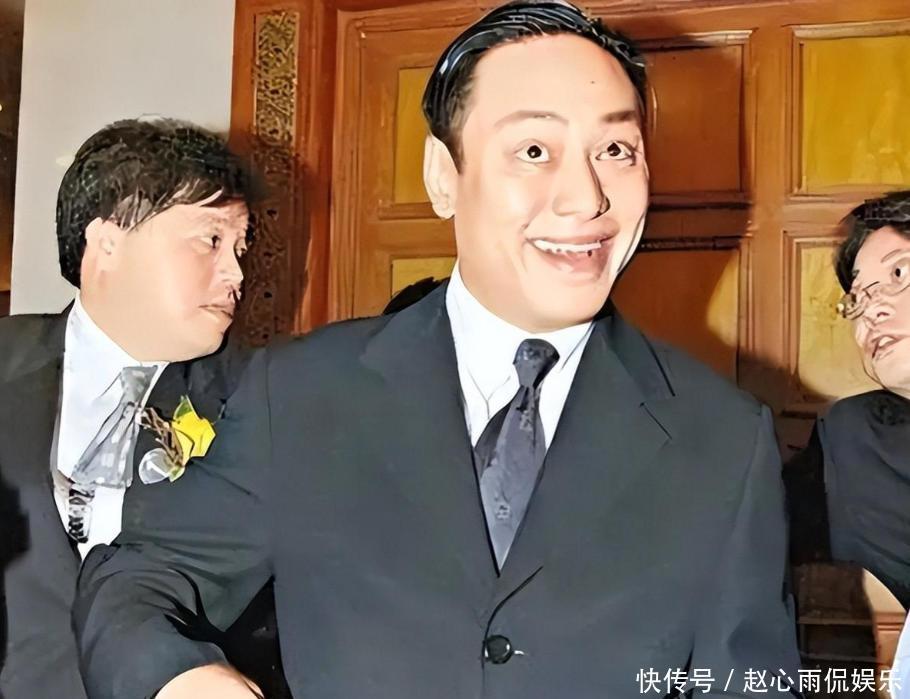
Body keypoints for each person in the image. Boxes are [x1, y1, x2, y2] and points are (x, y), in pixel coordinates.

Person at [75, 4, 801, 697]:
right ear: (443, 178)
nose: (586, 199)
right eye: (535, 151)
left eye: (616, 150)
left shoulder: (725, 440)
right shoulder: (301, 393)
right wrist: (184, 680)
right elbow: (138, 577)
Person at [0, 118, 287, 698]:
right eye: (211, 240)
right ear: (108, 242)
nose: (236, 272)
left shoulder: (271, 399)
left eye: (240, 247)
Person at [782, 191, 910, 695]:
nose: (872, 309)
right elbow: (752, 522)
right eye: (858, 297)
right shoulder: (860, 436)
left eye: (899, 273)